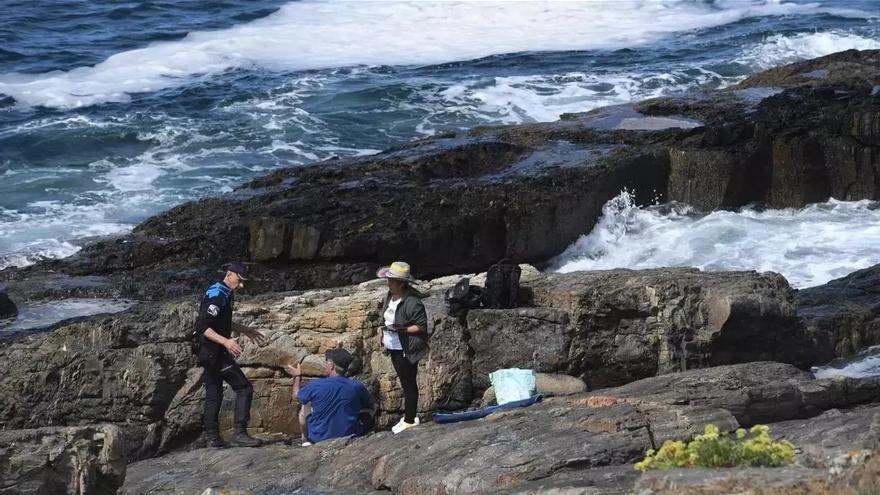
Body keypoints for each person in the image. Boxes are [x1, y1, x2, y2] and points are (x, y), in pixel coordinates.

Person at [195, 262, 268, 448]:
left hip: (208, 352)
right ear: (229, 275)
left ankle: (211, 437)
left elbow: (221, 321)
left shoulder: (224, 292)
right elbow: (203, 326)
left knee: (214, 393)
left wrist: (244, 329)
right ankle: (240, 433)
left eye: (244, 282)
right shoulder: (217, 295)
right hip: (214, 352)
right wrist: (226, 341)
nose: (241, 285)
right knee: (244, 388)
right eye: (240, 280)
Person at [375, 261, 429, 434]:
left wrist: (402, 329)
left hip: (405, 348)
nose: (388, 284)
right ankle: (409, 416)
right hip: (393, 346)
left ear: (401, 283)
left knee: (408, 384)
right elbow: (384, 318)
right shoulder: (389, 296)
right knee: (404, 381)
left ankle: (410, 420)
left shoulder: (413, 302)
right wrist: (381, 333)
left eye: (391, 281)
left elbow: (421, 326)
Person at [287, 349, 374, 445]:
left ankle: (306, 441)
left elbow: (296, 396)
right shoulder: (357, 386)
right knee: (364, 409)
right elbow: (369, 408)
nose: (325, 364)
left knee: (305, 406)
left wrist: (297, 376)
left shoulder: (316, 385)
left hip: (319, 438)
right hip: (349, 437)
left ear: (331, 365)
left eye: (326, 361)